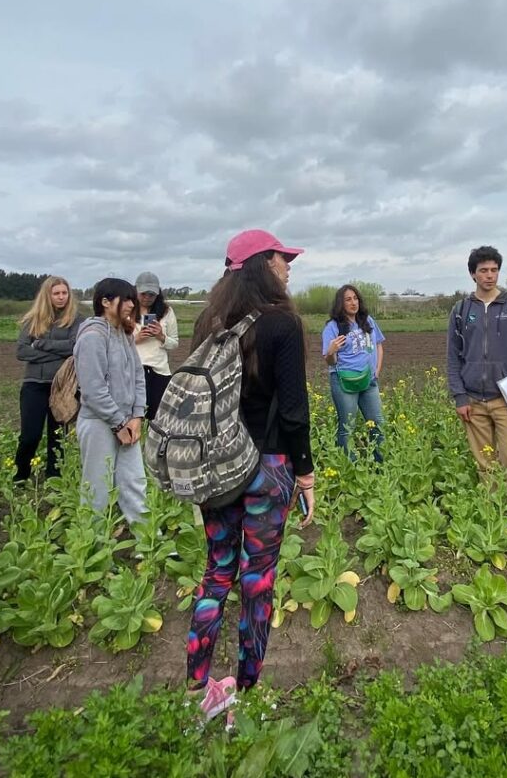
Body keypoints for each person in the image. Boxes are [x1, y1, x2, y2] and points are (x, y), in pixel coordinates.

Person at [186, 228, 314, 722]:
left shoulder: (208, 321)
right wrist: (305, 474)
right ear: (263, 265)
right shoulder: (283, 324)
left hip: (215, 471)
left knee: (217, 572)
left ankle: (197, 689)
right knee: (257, 580)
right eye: (283, 259)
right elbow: (295, 411)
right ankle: (247, 690)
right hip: (267, 468)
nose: (288, 267)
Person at [446, 245, 507, 496]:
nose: (490, 275)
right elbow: (453, 357)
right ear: (473, 274)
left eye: (494, 270)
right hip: (473, 401)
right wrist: (459, 396)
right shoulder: (461, 311)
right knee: (484, 466)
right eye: (484, 270)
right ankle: (493, 516)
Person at [73, 278, 147, 525]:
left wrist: (137, 416)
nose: (131, 304)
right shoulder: (92, 336)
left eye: (132, 299)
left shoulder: (123, 334)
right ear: (105, 302)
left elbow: (138, 375)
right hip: (99, 423)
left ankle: (147, 543)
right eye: (124, 299)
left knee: (134, 481)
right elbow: (93, 390)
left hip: (127, 423)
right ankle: (92, 546)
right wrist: (118, 423)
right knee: (97, 486)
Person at [13, 276, 83, 482]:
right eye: (56, 293)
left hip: (62, 386)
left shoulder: (77, 320)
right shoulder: (32, 320)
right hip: (34, 384)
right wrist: (58, 352)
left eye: (64, 293)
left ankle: (55, 478)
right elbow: (21, 351)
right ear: (47, 296)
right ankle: (20, 475)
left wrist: (41, 344)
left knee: (57, 436)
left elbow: (75, 347)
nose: (61, 297)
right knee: (30, 435)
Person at [321, 285, 386, 460]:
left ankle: (381, 466)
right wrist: (331, 350)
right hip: (344, 383)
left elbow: (379, 344)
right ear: (340, 304)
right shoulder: (332, 328)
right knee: (347, 427)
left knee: (377, 425)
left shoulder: (368, 321)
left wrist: (377, 370)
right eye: (348, 299)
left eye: (355, 298)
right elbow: (330, 362)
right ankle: (348, 468)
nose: (353, 302)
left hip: (369, 381)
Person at [132, 271, 178, 421]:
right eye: (143, 294)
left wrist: (161, 336)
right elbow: (117, 343)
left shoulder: (166, 312)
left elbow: (174, 343)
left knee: (158, 418)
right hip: (134, 370)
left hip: (160, 371)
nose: (147, 298)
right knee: (136, 417)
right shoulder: (127, 310)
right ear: (136, 291)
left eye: (151, 295)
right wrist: (135, 339)